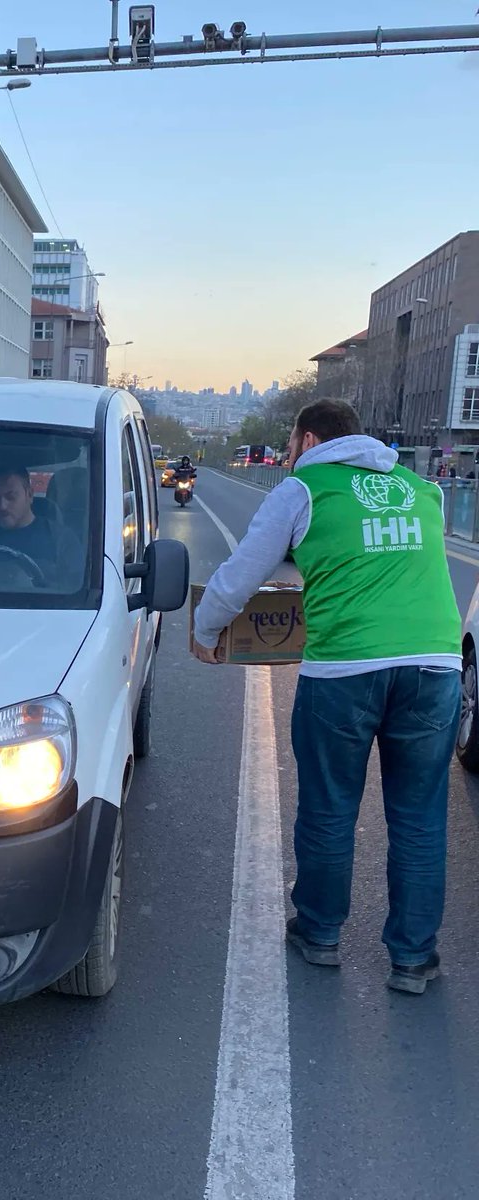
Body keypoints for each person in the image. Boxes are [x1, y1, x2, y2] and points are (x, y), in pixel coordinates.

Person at [192, 399, 461, 994]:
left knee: (331, 805)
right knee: (418, 816)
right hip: (435, 667)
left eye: (290, 445)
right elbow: (376, 559)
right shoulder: (424, 491)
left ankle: (319, 933)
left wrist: (207, 629)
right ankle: (413, 958)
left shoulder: (303, 488)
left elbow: (241, 572)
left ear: (309, 439)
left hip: (346, 672)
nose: (287, 457)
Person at [0, 467, 82, 583]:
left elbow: (73, 588)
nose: (2, 506)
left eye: (11, 497)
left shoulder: (60, 539)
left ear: (29, 495)